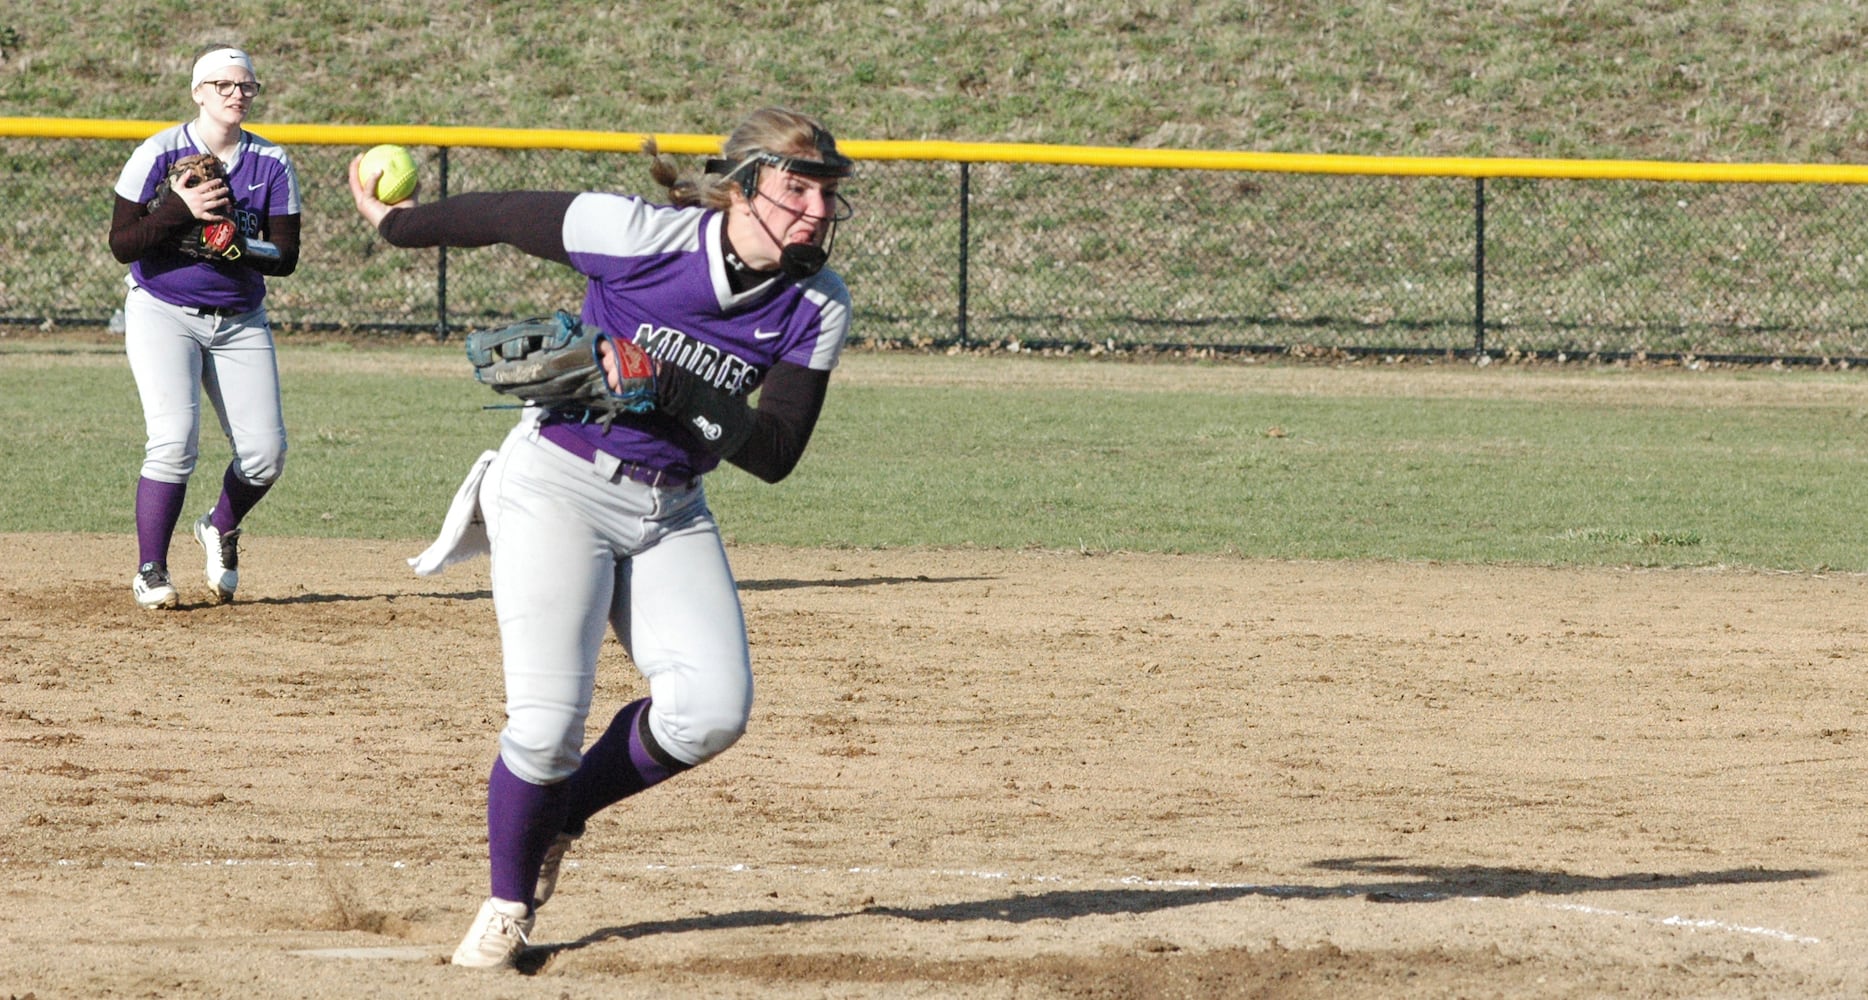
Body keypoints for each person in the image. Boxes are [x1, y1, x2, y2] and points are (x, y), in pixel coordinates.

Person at [347, 107, 855, 970]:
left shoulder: (817, 303)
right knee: (545, 728)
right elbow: (510, 216)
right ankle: (508, 907)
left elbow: (773, 454)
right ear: (741, 190)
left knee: (709, 712)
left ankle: (562, 814)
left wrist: (667, 384)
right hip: (559, 487)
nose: (815, 209)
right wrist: (398, 224)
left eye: (825, 193)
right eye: (795, 188)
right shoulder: (641, 236)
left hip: (672, 507)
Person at [107, 44, 302, 610]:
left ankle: (219, 525)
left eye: (245, 86)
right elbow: (122, 244)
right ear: (198, 92)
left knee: (265, 453)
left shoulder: (271, 163)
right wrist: (178, 211)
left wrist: (238, 250)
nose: (236, 94)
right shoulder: (158, 152)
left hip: (240, 320)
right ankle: (151, 568)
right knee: (173, 441)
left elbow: (285, 256)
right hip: (162, 311)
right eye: (223, 85)